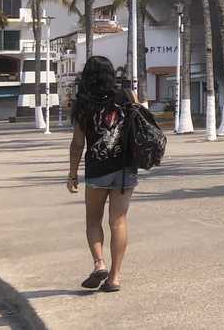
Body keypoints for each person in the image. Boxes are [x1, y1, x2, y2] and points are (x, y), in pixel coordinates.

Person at [67, 56, 140, 293]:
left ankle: (99, 263)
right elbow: (141, 125)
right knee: (118, 221)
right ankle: (114, 278)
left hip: (97, 169)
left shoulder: (83, 103)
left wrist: (72, 173)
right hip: (125, 167)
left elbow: (78, 144)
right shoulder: (127, 97)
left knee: (93, 220)